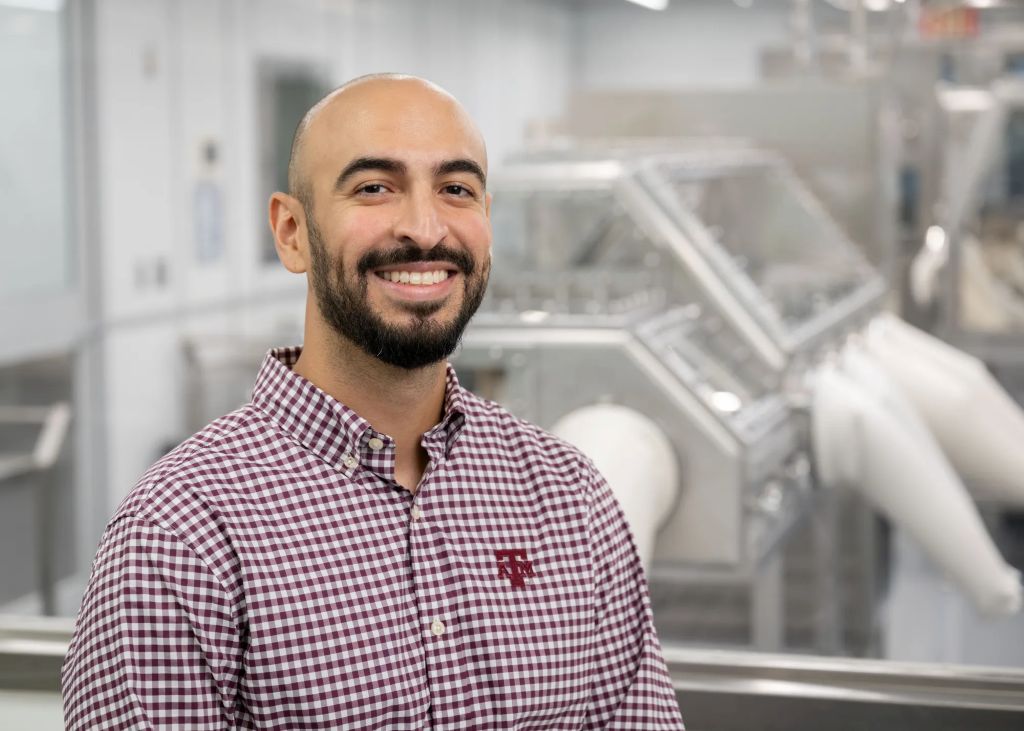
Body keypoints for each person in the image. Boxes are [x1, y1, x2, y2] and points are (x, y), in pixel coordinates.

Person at [62, 73, 685, 730]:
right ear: (292, 232)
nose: (424, 228)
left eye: (456, 189)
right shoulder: (180, 535)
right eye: (374, 188)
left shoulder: (569, 497)